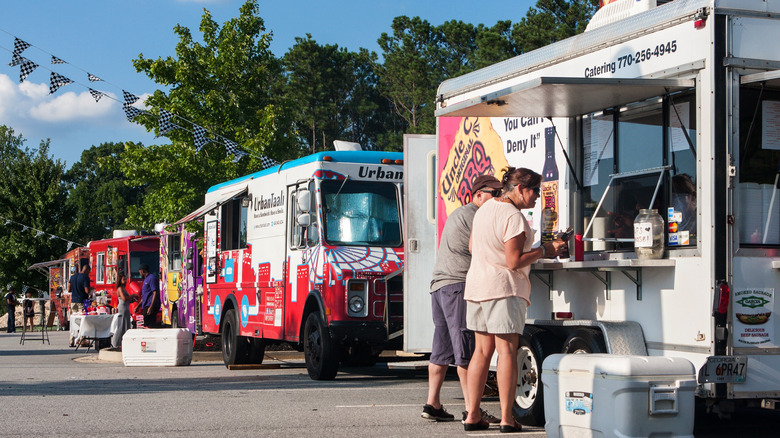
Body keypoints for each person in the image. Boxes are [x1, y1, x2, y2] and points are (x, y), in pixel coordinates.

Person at [462, 167, 567, 433]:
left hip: (477, 287)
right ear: (520, 188)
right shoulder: (514, 217)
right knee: (506, 352)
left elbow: (473, 247)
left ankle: (472, 414)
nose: (536, 199)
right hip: (503, 289)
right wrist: (545, 250)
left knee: (481, 352)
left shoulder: (484, 209)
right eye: (534, 192)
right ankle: (507, 418)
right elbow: (513, 261)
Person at [421, 174, 503, 424]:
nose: (499, 198)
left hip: (440, 286)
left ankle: (433, 403)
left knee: (442, 348)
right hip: (458, 285)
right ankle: (472, 411)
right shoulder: (475, 215)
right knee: (466, 350)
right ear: (479, 194)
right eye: (495, 194)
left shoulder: (459, 214)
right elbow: (477, 247)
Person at [112, 273, 137, 348]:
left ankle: (124, 343)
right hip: (122, 309)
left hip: (126, 308)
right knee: (121, 326)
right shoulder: (120, 288)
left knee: (126, 325)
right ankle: (116, 343)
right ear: (120, 280)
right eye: (124, 279)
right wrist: (132, 295)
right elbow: (124, 298)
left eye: (125, 279)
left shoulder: (124, 288)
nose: (125, 281)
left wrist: (132, 300)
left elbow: (127, 299)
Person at [139, 264, 160, 328]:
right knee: (145, 323)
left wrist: (151, 307)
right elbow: (145, 295)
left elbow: (155, 292)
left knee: (149, 324)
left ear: (143, 271)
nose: (139, 273)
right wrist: (138, 306)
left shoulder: (152, 278)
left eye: (140, 271)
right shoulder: (146, 279)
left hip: (150, 305)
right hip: (146, 305)